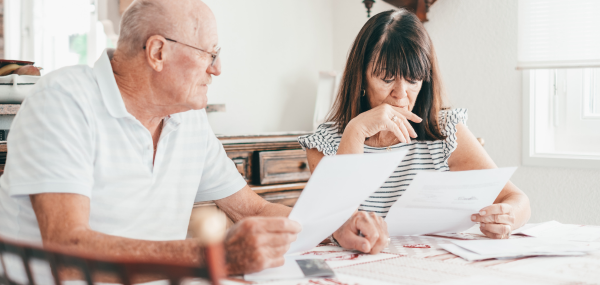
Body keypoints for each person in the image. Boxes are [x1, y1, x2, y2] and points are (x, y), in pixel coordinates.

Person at [0, 0, 388, 275]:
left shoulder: (188, 120)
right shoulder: (63, 100)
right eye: (210, 53)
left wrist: (333, 227)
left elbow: (250, 210)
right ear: (157, 52)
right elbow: (67, 254)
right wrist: (213, 256)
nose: (218, 69)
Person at [299, 9, 531, 240]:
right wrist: (355, 131)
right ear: (361, 78)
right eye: (386, 79)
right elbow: (336, 224)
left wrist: (507, 216)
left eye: (413, 80)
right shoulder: (325, 144)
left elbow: (517, 199)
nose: (400, 95)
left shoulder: (445, 131)